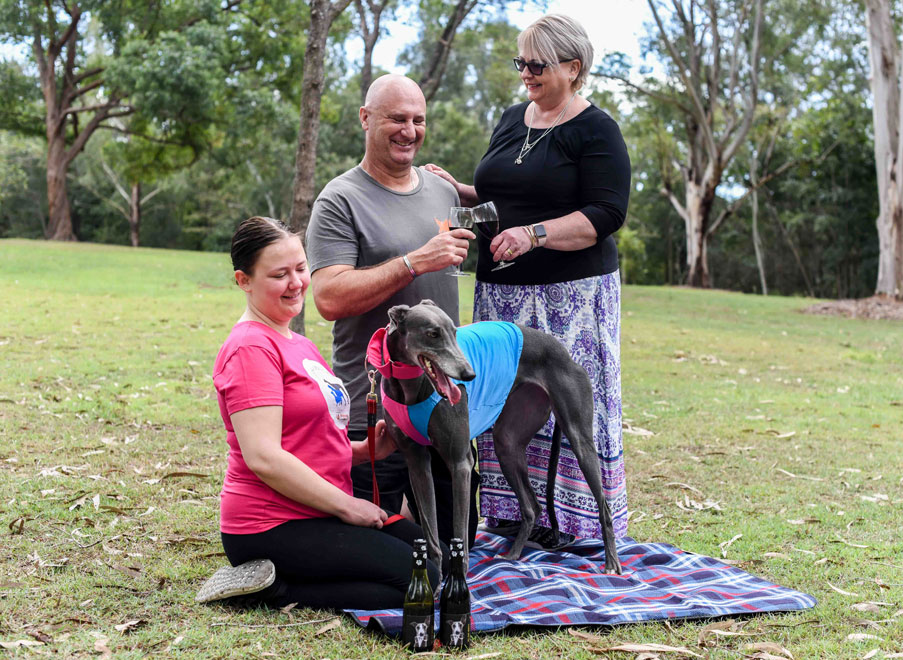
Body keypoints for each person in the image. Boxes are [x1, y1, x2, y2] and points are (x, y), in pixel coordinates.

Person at [424, 14, 630, 548]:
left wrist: (534, 234)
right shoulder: (513, 118)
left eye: (537, 64)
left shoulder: (596, 130)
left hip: (572, 297)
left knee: (568, 411)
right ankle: (514, 516)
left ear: (573, 67)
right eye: (521, 62)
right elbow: (507, 197)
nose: (525, 74)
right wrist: (462, 191)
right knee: (498, 402)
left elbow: (606, 213)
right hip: (501, 293)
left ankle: (578, 524)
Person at [195, 216, 439, 609]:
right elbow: (264, 456)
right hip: (270, 523)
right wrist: (348, 506)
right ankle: (270, 589)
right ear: (244, 281)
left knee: (428, 558)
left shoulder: (298, 343)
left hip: (317, 509)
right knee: (419, 583)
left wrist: (361, 451)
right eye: (279, 274)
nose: (296, 283)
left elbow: (304, 436)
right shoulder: (250, 349)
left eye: (301, 268)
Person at [306, 74, 480, 549]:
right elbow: (328, 299)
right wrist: (413, 262)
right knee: (378, 550)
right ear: (366, 119)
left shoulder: (441, 192)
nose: (409, 130)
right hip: (375, 409)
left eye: (418, 120)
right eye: (396, 119)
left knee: (457, 544)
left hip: (442, 400)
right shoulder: (340, 200)